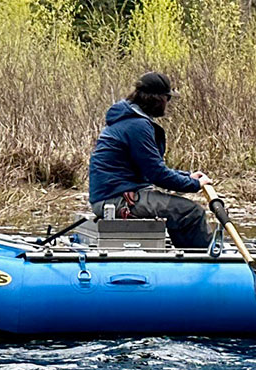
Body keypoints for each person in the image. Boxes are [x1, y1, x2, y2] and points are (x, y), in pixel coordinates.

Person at [89, 71, 213, 248]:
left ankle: (185, 256)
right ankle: (202, 264)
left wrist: (187, 177)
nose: (168, 104)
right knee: (191, 213)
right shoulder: (137, 126)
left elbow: (150, 167)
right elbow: (157, 174)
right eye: (167, 99)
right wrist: (194, 185)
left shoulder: (129, 120)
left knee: (178, 210)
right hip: (114, 200)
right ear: (157, 99)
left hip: (113, 194)